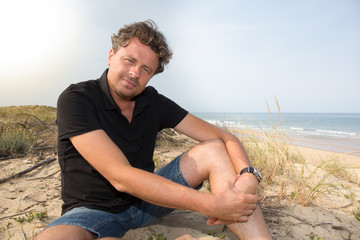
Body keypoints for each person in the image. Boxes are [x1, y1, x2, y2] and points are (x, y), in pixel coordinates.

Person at [36, 20, 272, 240]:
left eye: (146, 69)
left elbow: (224, 136)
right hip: (89, 212)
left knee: (214, 150)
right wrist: (211, 204)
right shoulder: (77, 99)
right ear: (111, 56)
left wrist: (249, 174)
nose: (134, 73)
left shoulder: (152, 102)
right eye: (129, 61)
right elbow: (120, 176)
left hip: (146, 202)